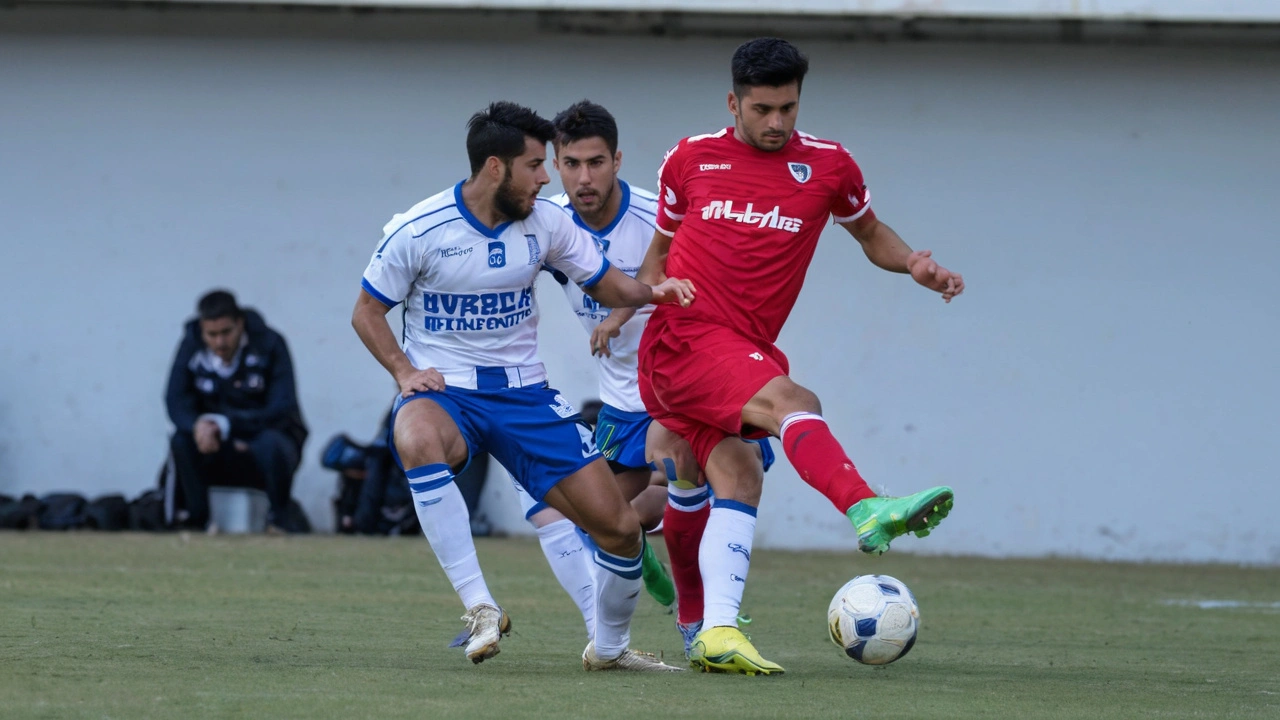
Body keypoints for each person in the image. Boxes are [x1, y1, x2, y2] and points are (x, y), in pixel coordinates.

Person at [637, 37, 965, 675]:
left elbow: (870, 233)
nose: (776, 122)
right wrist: (637, 302)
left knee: (730, 475)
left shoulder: (829, 166)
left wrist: (914, 265)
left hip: (741, 348)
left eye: (788, 108)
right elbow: (660, 249)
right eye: (762, 109)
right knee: (797, 401)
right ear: (734, 102)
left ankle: (709, 630)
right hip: (684, 338)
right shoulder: (690, 159)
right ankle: (866, 506)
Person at [350, 101, 694, 671]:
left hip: (525, 396)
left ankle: (609, 649)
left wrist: (654, 293)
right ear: (495, 168)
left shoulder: (547, 222)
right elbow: (367, 311)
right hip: (447, 391)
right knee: (415, 434)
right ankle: (480, 606)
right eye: (536, 165)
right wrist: (405, 373)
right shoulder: (419, 229)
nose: (546, 178)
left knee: (621, 529)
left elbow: (609, 285)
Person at [533, 100, 775, 657]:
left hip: (688, 387)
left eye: (596, 162)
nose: (584, 178)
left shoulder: (658, 218)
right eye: (570, 164)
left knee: (722, 489)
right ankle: (626, 617)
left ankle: (706, 621)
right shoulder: (548, 223)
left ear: (618, 159)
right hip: (623, 399)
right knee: (599, 518)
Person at [165, 290, 309, 534]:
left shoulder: (270, 344)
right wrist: (199, 426)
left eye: (226, 332)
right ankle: (197, 521)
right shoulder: (191, 347)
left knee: (272, 444)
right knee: (181, 440)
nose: (220, 342)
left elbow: (281, 406)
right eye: (212, 334)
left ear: (240, 323)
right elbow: (175, 401)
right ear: (202, 329)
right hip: (215, 447)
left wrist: (227, 425)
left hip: (263, 444)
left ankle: (278, 519)